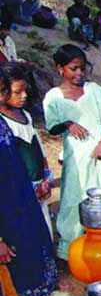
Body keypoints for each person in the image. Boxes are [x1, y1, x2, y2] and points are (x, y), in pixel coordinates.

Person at [0, 65, 76, 296]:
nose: (12, 97)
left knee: (15, 289)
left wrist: (39, 187)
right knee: (27, 293)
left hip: (22, 213)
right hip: (8, 228)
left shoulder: (7, 126)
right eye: (8, 92)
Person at [43, 44, 101, 260]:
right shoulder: (53, 97)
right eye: (74, 69)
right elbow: (52, 126)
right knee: (75, 196)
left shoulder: (94, 91)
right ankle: (71, 246)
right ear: (60, 68)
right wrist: (68, 123)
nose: (79, 73)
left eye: (82, 68)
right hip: (77, 156)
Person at [0, 61, 52, 239]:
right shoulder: (3, 125)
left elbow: (37, 147)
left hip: (38, 186)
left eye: (25, 91)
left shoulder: (26, 116)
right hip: (20, 192)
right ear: (4, 90)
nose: (23, 96)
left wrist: (45, 178)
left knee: (44, 231)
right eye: (17, 92)